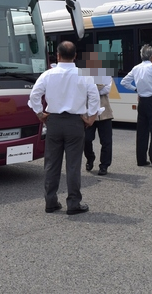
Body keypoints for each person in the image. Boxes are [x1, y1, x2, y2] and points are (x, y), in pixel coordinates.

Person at [29, 40, 102, 215]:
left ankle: (51, 202)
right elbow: (94, 97)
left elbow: (34, 95)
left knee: (51, 164)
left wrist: (40, 114)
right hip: (75, 123)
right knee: (73, 165)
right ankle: (74, 203)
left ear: (58, 55)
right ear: (75, 56)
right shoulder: (84, 75)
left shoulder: (48, 74)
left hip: (53, 121)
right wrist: (91, 117)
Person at [120, 44, 152, 167]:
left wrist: (136, 90)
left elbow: (124, 82)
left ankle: (141, 160)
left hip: (142, 102)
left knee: (142, 132)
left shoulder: (136, 68)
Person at [83, 50, 114, 176]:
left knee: (106, 141)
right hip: (88, 113)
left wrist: (93, 87)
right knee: (86, 139)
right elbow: (83, 90)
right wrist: (97, 87)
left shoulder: (106, 74)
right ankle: (90, 158)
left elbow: (107, 89)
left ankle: (104, 165)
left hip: (105, 113)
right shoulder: (84, 75)